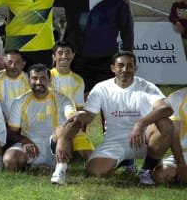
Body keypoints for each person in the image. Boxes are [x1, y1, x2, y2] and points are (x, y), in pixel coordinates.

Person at [59, 52, 184, 185]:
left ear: (135, 68)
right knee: (95, 171)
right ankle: (123, 160)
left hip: (144, 138)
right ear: (113, 68)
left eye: (130, 66)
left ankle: (146, 170)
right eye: (120, 65)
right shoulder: (101, 88)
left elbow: (166, 109)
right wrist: (79, 118)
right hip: (115, 140)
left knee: (166, 124)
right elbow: (89, 115)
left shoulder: (146, 86)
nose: (125, 69)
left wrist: (141, 124)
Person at [55, 0, 134, 91]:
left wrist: (128, 54)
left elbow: (127, 29)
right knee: (78, 96)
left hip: (106, 59)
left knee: (106, 97)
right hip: (77, 58)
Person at [2, 65, 74, 183]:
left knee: (61, 129)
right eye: (34, 78)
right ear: (28, 80)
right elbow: (12, 132)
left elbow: (72, 119)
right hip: (31, 145)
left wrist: (73, 120)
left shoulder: (63, 99)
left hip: (54, 144)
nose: (38, 82)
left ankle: (60, 170)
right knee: (10, 160)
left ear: (49, 80)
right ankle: (32, 164)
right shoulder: (19, 101)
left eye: (43, 78)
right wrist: (25, 141)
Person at [49, 41, 95, 158]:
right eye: (60, 53)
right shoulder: (46, 77)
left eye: (67, 52)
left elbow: (79, 110)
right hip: (51, 127)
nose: (64, 56)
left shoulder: (78, 80)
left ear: (73, 55)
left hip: (71, 126)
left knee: (90, 156)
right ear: (54, 57)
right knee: (65, 148)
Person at [154, 85, 187, 185]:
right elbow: (174, 135)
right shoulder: (178, 97)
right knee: (161, 175)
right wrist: (181, 164)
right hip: (184, 154)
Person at [0, 50, 31, 117]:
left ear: (23, 64)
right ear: (4, 63)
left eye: (17, 62)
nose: (13, 66)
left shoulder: (30, 80)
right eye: (10, 62)